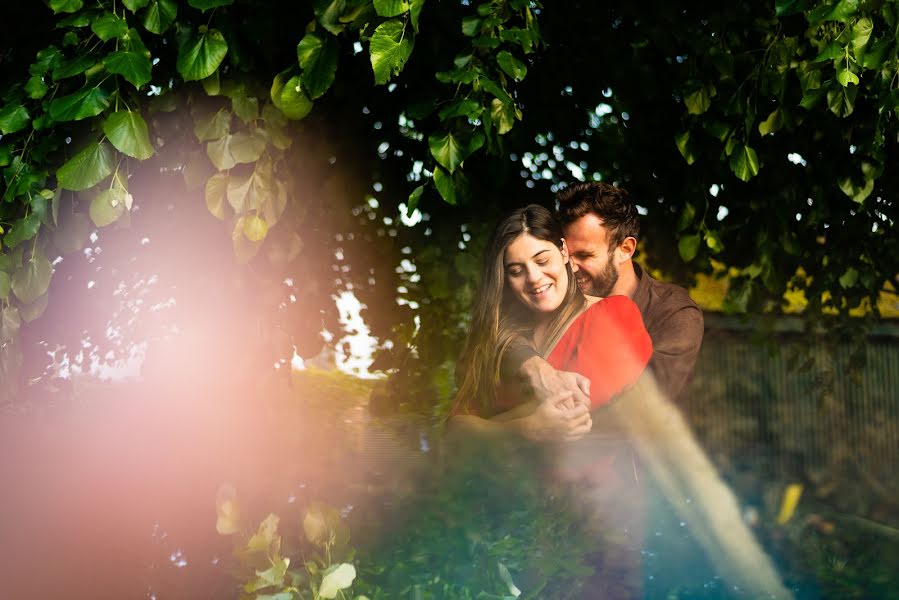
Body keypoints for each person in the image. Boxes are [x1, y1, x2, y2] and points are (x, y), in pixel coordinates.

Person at [448, 204, 652, 442]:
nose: (534, 278)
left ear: (564, 251)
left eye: (542, 260)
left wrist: (486, 428)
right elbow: (452, 432)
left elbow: (571, 411)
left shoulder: (615, 315)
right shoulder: (501, 338)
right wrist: (524, 428)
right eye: (516, 270)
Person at [507, 182, 704, 408]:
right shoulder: (558, 297)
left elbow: (649, 400)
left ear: (625, 249)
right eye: (567, 255)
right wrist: (531, 364)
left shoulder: (673, 311)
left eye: (585, 255)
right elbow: (504, 330)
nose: (570, 267)